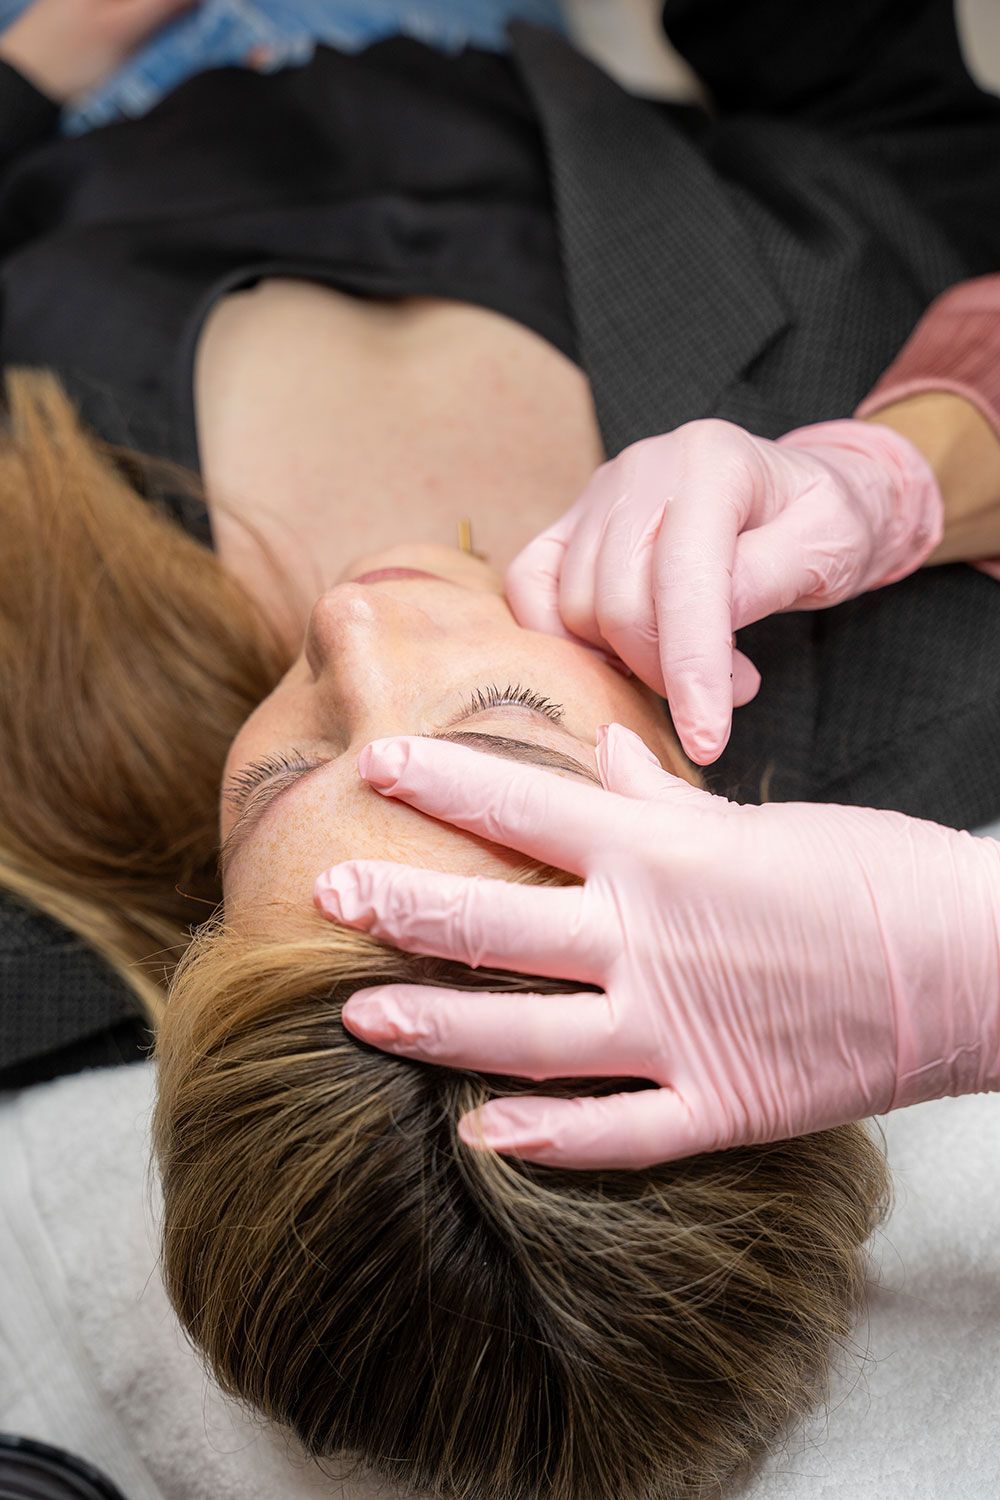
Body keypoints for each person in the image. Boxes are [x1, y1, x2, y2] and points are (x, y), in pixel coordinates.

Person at [0, 1, 997, 1496]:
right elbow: (904, 125)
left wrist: (52, 60)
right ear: (712, 818)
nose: (355, 624)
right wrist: (909, 465)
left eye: (280, 777)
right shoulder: (935, 686)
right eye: (509, 725)